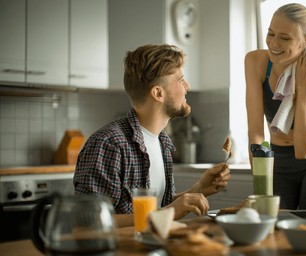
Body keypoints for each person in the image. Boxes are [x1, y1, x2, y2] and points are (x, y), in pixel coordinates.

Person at [74, 44, 231, 226]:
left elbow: (154, 208)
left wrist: (199, 189)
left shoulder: (162, 141)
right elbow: (89, 221)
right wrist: (172, 212)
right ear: (158, 93)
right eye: (180, 80)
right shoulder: (108, 144)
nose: (187, 86)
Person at [245, 3, 306, 209]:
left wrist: (301, 86)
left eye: (285, 37)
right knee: (274, 227)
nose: (274, 43)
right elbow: (255, 133)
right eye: (271, 33)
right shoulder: (256, 62)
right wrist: (261, 184)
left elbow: (303, 150)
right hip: (275, 160)